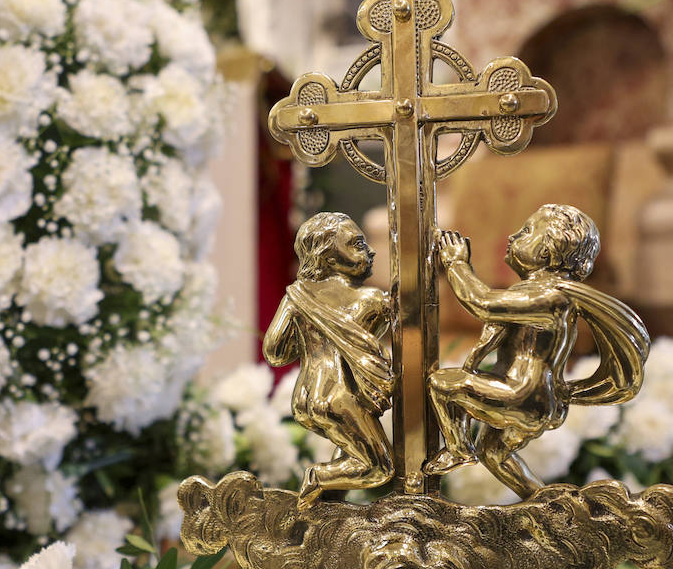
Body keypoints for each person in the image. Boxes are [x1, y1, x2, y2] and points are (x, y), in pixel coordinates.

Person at [426, 204, 648, 498]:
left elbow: (482, 303)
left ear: (546, 252)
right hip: (529, 397)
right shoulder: (532, 292)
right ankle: (548, 505)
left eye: (526, 231)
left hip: (523, 395)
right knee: (494, 453)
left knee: (442, 384)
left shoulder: (552, 297)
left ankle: (458, 449)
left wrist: (456, 264)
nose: (512, 235)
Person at [264, 212, 394, 508]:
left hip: (305, 398)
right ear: (330, 258)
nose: (370, 251)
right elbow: (382, 339)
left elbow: (275, 352)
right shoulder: (370, 299)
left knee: (350, 450)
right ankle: (317, 478)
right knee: (378, 466)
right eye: (357, 244)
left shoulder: (296, 297)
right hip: (340, 397)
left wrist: (312, 330)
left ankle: (327, 513)